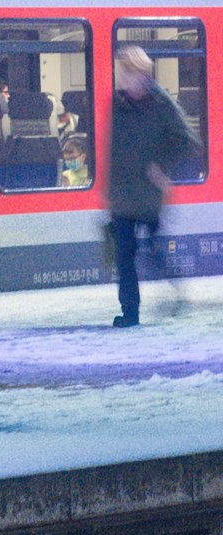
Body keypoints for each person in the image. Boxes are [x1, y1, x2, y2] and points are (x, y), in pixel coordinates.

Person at [108, 45, 197, 328]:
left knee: (154, 250)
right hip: (123, 195)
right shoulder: (116, 104)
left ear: (141, 74)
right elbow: (112, 148)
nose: (123, 80)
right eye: (120, 74)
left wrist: (161, 164)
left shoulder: (162, 104)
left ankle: (176, 290)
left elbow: (188, 140)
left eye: (127, 74)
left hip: (148, 193)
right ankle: (130, 313)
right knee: (124, 255)